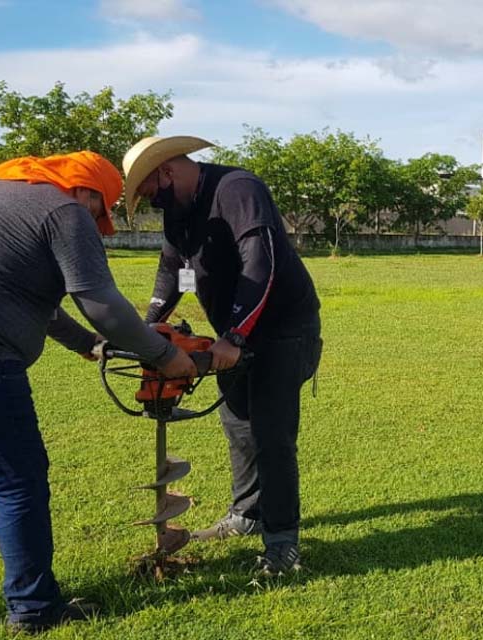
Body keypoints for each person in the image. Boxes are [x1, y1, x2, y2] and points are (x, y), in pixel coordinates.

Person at [0, 152, 197, 639]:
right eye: (101, 210)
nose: (97, 221)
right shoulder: (66, 210)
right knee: (16, 484)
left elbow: (36, 303)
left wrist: (90, 345)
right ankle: (34, 608)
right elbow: (99, 300)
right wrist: (164, 354)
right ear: (88, 191)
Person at [122, 136, 322, 576]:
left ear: (167, 171)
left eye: (152, 193)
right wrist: (148, 325)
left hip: (284, 331)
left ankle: (282, 543)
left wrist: (233, 335)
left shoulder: (237, 189)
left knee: (272, 436)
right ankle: (247, 515)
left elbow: (260, 261)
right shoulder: (180, 211)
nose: (154, 203)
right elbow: (173, 270)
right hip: (231, 337)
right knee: (237, 425)